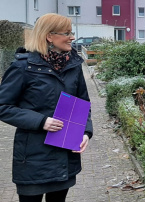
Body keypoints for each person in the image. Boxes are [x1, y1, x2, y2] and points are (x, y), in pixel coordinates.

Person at [0, 13, 93, 202]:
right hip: (33, 158)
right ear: (49, 36)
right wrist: (41, 121)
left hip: (65, 156)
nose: (72, 37)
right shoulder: (23, 67)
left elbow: (83, 103)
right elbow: (3, 106)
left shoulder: (73, 66)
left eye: (71, 32)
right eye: (66, 33)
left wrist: (85, 133)